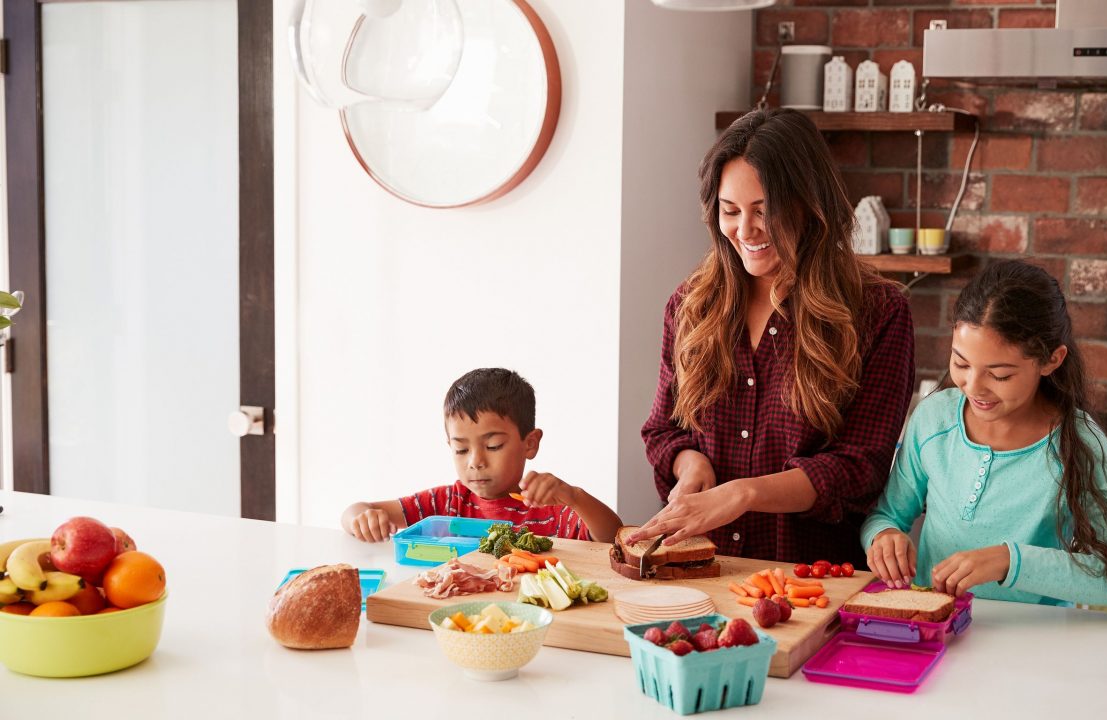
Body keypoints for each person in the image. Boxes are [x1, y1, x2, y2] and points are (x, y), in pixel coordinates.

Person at [630, 108, 916, 565]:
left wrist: (744, 494)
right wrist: (691, 465)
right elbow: (664, 430)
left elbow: (860, 465)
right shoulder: (691, 305)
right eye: (731, 211)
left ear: (810, 203)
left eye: (765, 211)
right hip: (704, 570)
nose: (745, 231)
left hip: (814, 580)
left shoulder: (876, 312)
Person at [862, 260, 1107, 614]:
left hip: (1032, 644)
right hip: (935, 632)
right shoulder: (933, 418)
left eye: (1000, 375)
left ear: (1051, 360)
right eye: (960, 363)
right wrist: (883, 538)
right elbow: (885, 516)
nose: (973, 387)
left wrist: (1011, 562)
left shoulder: (1079, 445)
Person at [341, 368, 622, 544]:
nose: (475, 461)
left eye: (493, 446)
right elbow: (357, 509)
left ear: (530, 443)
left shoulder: (549, 508)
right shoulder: (447, 502)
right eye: (461, 449)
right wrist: (362, 518)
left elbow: (614, 537)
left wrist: (574, 496)